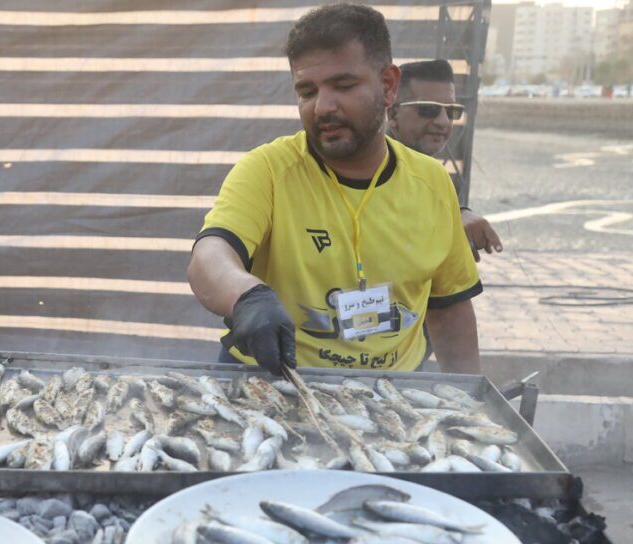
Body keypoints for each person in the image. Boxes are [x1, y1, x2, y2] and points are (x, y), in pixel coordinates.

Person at [187, 4, 482, 376]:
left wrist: (470, 398)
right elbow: (210, 256)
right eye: (307, 91)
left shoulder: (432, 182)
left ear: (388, 85)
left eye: (344, 86)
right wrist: (247, 295)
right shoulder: (267, 169)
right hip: (273, 381)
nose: (322, 106)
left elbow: (450, 307)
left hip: (393, 393)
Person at [387, 59, 502, 262]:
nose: (442, 121)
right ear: (393, 113)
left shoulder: (432, 175)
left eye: (451, 112)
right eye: (428, 109)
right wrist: (453, 221)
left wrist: (459, 213)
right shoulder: (368, 169)